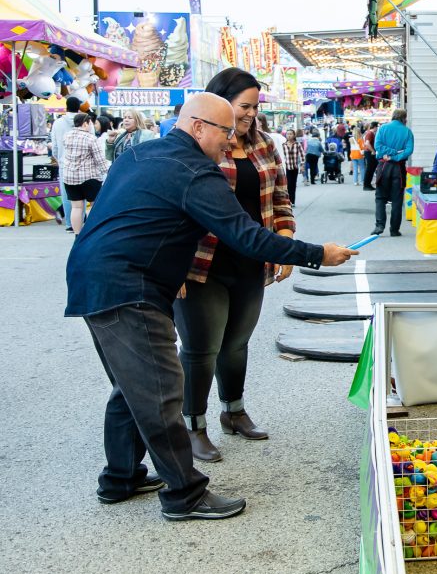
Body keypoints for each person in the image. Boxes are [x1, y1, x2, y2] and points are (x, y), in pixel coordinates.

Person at [65, 92, 357, 521]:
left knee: (133, 386)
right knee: (161, 390)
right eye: (226, 130)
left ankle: (120, 478)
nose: (231, 140)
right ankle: (185, 495)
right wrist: (317, 254)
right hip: (130, 286)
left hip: (91, 276)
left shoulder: (140, 154)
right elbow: (246, 236)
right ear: (198, 126)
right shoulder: (195, 172)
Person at [174, 68, 292, 462]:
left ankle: (234, 412)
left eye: (255, 106)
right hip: (200, 264)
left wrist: (284, 239)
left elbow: (280, 198)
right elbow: (172, 208)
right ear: (220, 104)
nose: (251, 114)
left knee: (236, 344)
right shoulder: (199, 144)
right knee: (200, 349)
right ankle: (193, 426)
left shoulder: (265, 144)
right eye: (245, 106)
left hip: (250, 261)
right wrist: (172, 266)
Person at [61, 113, 109, 234]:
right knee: (95, 206)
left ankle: (77, 235)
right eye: (90, 123)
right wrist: (108, 172)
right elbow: (100, 160)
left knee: (76, 207)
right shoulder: (91, 138)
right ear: (85, 123)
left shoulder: (66, 136)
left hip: (70, 177)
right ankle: (92, 233)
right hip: (89, 177)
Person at [372, 109, 414, 237]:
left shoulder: (383, 128)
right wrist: (396, 155)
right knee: (397, 200)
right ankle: (394, 230)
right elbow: (409, 150)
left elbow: (378, 146)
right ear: (404, 118)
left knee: (380, 198)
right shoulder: (407, 132)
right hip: (399, 168)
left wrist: (389, 154)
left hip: (383, 165)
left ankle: (379, 225)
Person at [51, 96, 83, 232]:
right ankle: (80, 222)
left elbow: (54, 146)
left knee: (66, 194)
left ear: (66, 107)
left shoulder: (57, 123)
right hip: (83, 163)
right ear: (79, 107)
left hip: (64, 163)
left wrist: (58, 158)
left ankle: (70, 224)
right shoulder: (85, 121)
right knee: (81, 194)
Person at [282, 129, 302, 203]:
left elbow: (302, 155)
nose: (289, 135)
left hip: (295, 167)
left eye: (291, 134)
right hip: (286, 168)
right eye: (287, 134)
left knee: (293, 184)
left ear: (294, 135)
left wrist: (302, 165)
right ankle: (288, 200)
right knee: (288, 184)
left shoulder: (297, 144)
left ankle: (292, 201)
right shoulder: (283, 145)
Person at [362, 122, 378, 191]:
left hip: (369, 152)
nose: (377, 128)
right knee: (369, 169)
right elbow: (367, 143)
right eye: (377, 127)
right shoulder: (370, 133)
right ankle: (366, 185)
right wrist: (373, 151)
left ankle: (368, 185)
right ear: (375, 127)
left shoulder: (370, 133)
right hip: (369, 153)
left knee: (371, 169)